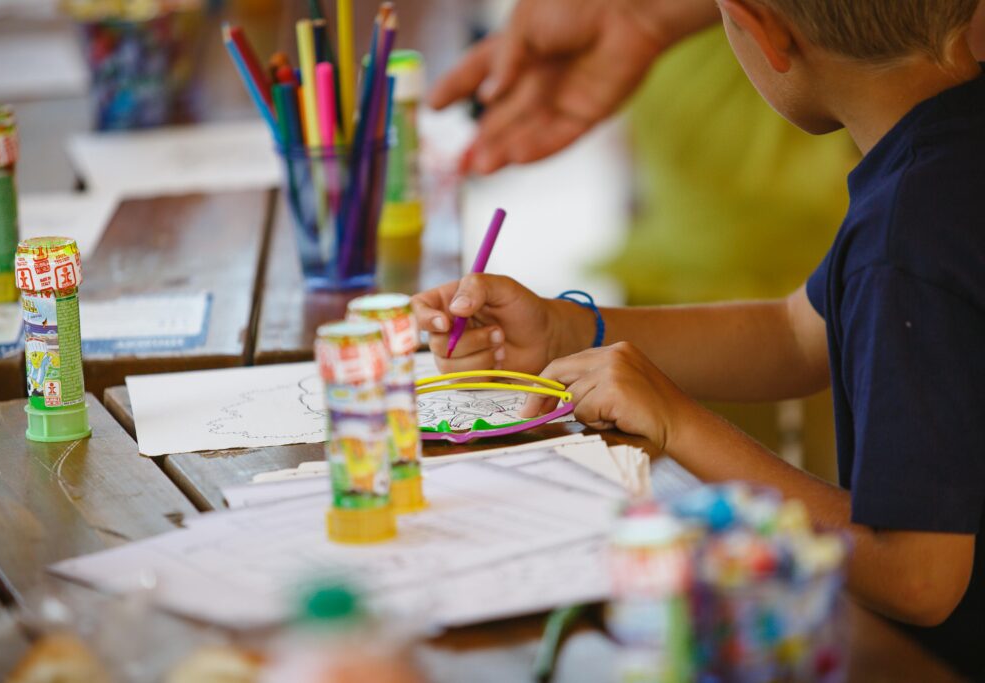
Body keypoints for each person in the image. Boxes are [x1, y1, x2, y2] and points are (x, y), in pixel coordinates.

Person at [415, 0, 985, 677]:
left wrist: (678, 424)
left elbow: (918, 575)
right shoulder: (942, 161)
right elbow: (795, 333)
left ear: (765, 29)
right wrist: (565, 329)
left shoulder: (905, 236)